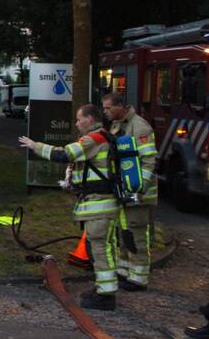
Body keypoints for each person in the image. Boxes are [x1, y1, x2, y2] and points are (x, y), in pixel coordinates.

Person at [20, 104, 120, 311]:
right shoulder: (104, 137)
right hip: (99, 202)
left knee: (100, 249)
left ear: (90, 119)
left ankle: (106, 295)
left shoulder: (95, 138)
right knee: (100, 248)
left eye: (79, 119)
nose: (76, 123)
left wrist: (35, 145)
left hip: (99, 202)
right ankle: (103, 289)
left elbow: (65, 154)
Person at [102, 92, 158, 291]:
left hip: (138, 195)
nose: (105, 112)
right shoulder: (119, 125)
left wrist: (138, 187)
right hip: (124, 193)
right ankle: (125, 271)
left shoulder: (140, 127)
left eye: (108, 108)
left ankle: (139, 278)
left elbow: (148, 160)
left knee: (137, 234)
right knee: (123, 234)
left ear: (120, 107)